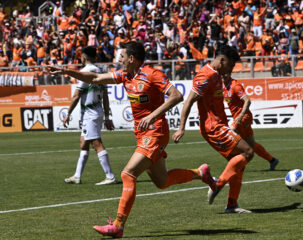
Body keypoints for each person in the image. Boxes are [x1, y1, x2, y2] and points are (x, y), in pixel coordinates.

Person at [50, 41, 215, 238]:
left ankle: (118, 225)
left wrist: (152, 115)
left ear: (132, 59)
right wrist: (67, 71)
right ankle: (200, 173)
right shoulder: (125, 75)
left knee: (128, 174)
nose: (118, 60)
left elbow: (177, 96)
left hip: (155, 131)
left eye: (121, 56)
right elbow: (94, 77)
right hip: (142, 133)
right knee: (162, 181)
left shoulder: (152, 74)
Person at [172, 45, 254, 214]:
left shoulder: (217, 75)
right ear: (222, 60)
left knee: (240, 164)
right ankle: (217, 185)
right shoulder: (205, 75)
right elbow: (188, 101)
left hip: (220, 125)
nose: (230, 70)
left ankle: (232, 205)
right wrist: (181, 128)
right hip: (213, 127)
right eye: (230, 66)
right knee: (248, 152)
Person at [63, 46, 117, 185]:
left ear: (83, 57)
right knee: (83, 143)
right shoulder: (100, 71)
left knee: (97, 144)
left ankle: (110, 176)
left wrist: (68, 113)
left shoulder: (85, 72)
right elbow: (105, 95)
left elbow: (77, 95)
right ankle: (77, 176)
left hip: (90, 114)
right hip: (96, 112)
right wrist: (107, 117)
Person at [223, 75, 279, 171]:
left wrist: (240, 116)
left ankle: (237, 165)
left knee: (229, 134)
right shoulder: (222, 87)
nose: (222, 75)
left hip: (243, 118)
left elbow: (247, 101)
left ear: (228, 72)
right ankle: (272, 160)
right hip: (238, 118)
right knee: (251, 144)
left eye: (224, 73)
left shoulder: (235, 85)